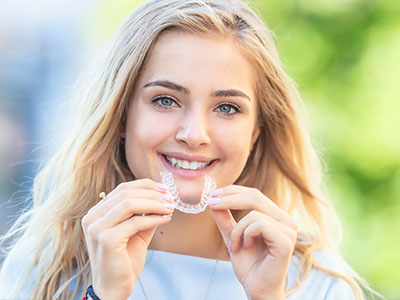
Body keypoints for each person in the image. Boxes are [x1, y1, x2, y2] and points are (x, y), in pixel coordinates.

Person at [0, 0, 378, 299]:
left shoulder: (319, 286)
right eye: (165, 100)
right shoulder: (42, 270)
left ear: (255, 134)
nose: (194, 134)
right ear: (120, 118)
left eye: (227, 108)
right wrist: (103, 296)